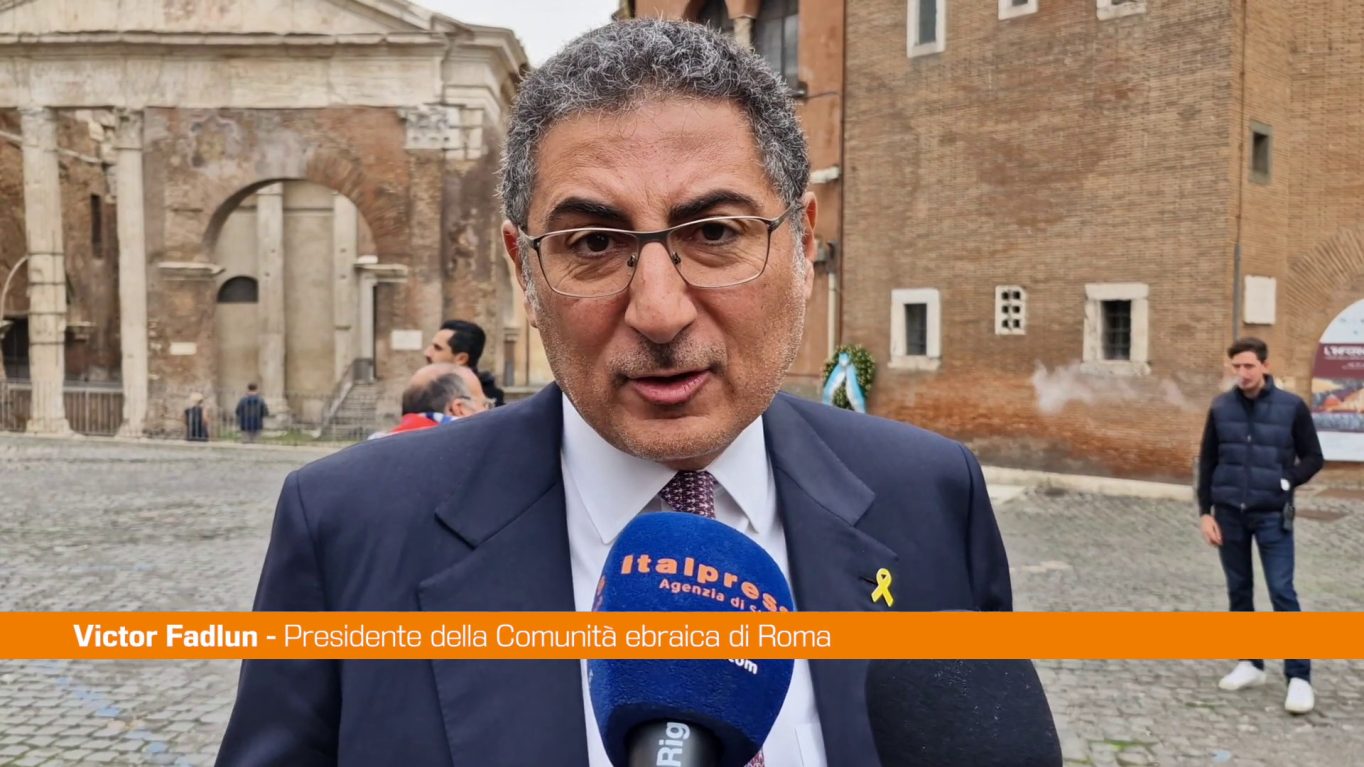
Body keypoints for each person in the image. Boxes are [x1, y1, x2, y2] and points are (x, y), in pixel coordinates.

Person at [218, 20, 1047, 766]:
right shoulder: (349, 529)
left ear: (803, 242)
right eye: (593, 243)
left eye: (714, 232)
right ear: (523, 268)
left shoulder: (931, 498)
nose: (658, 311)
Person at [1197, 336, 1323, 714]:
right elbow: (1208, 462)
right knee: (1239, 591)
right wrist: (1205, 512)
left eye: (1249, 366)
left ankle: (1299, 676)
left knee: (1282, 592)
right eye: (1236, 366)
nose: (1243, 372)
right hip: (1229, 515)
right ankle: (1250, 663)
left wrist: (1286, 481)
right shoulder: (1221, 407)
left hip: (1272, 515)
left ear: (1265, 366)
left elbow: (1313, 457)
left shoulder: (1291, 407)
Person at [375, 363, 491, 438]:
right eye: (486, 404)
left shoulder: (374, 447)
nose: (490, 410)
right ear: (459, 409)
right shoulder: (476, 452)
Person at [424, 319, 506, 407]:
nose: (427, 353)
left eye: (437, 348)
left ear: (461, 359)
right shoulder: (426, 393)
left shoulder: (490, 407)